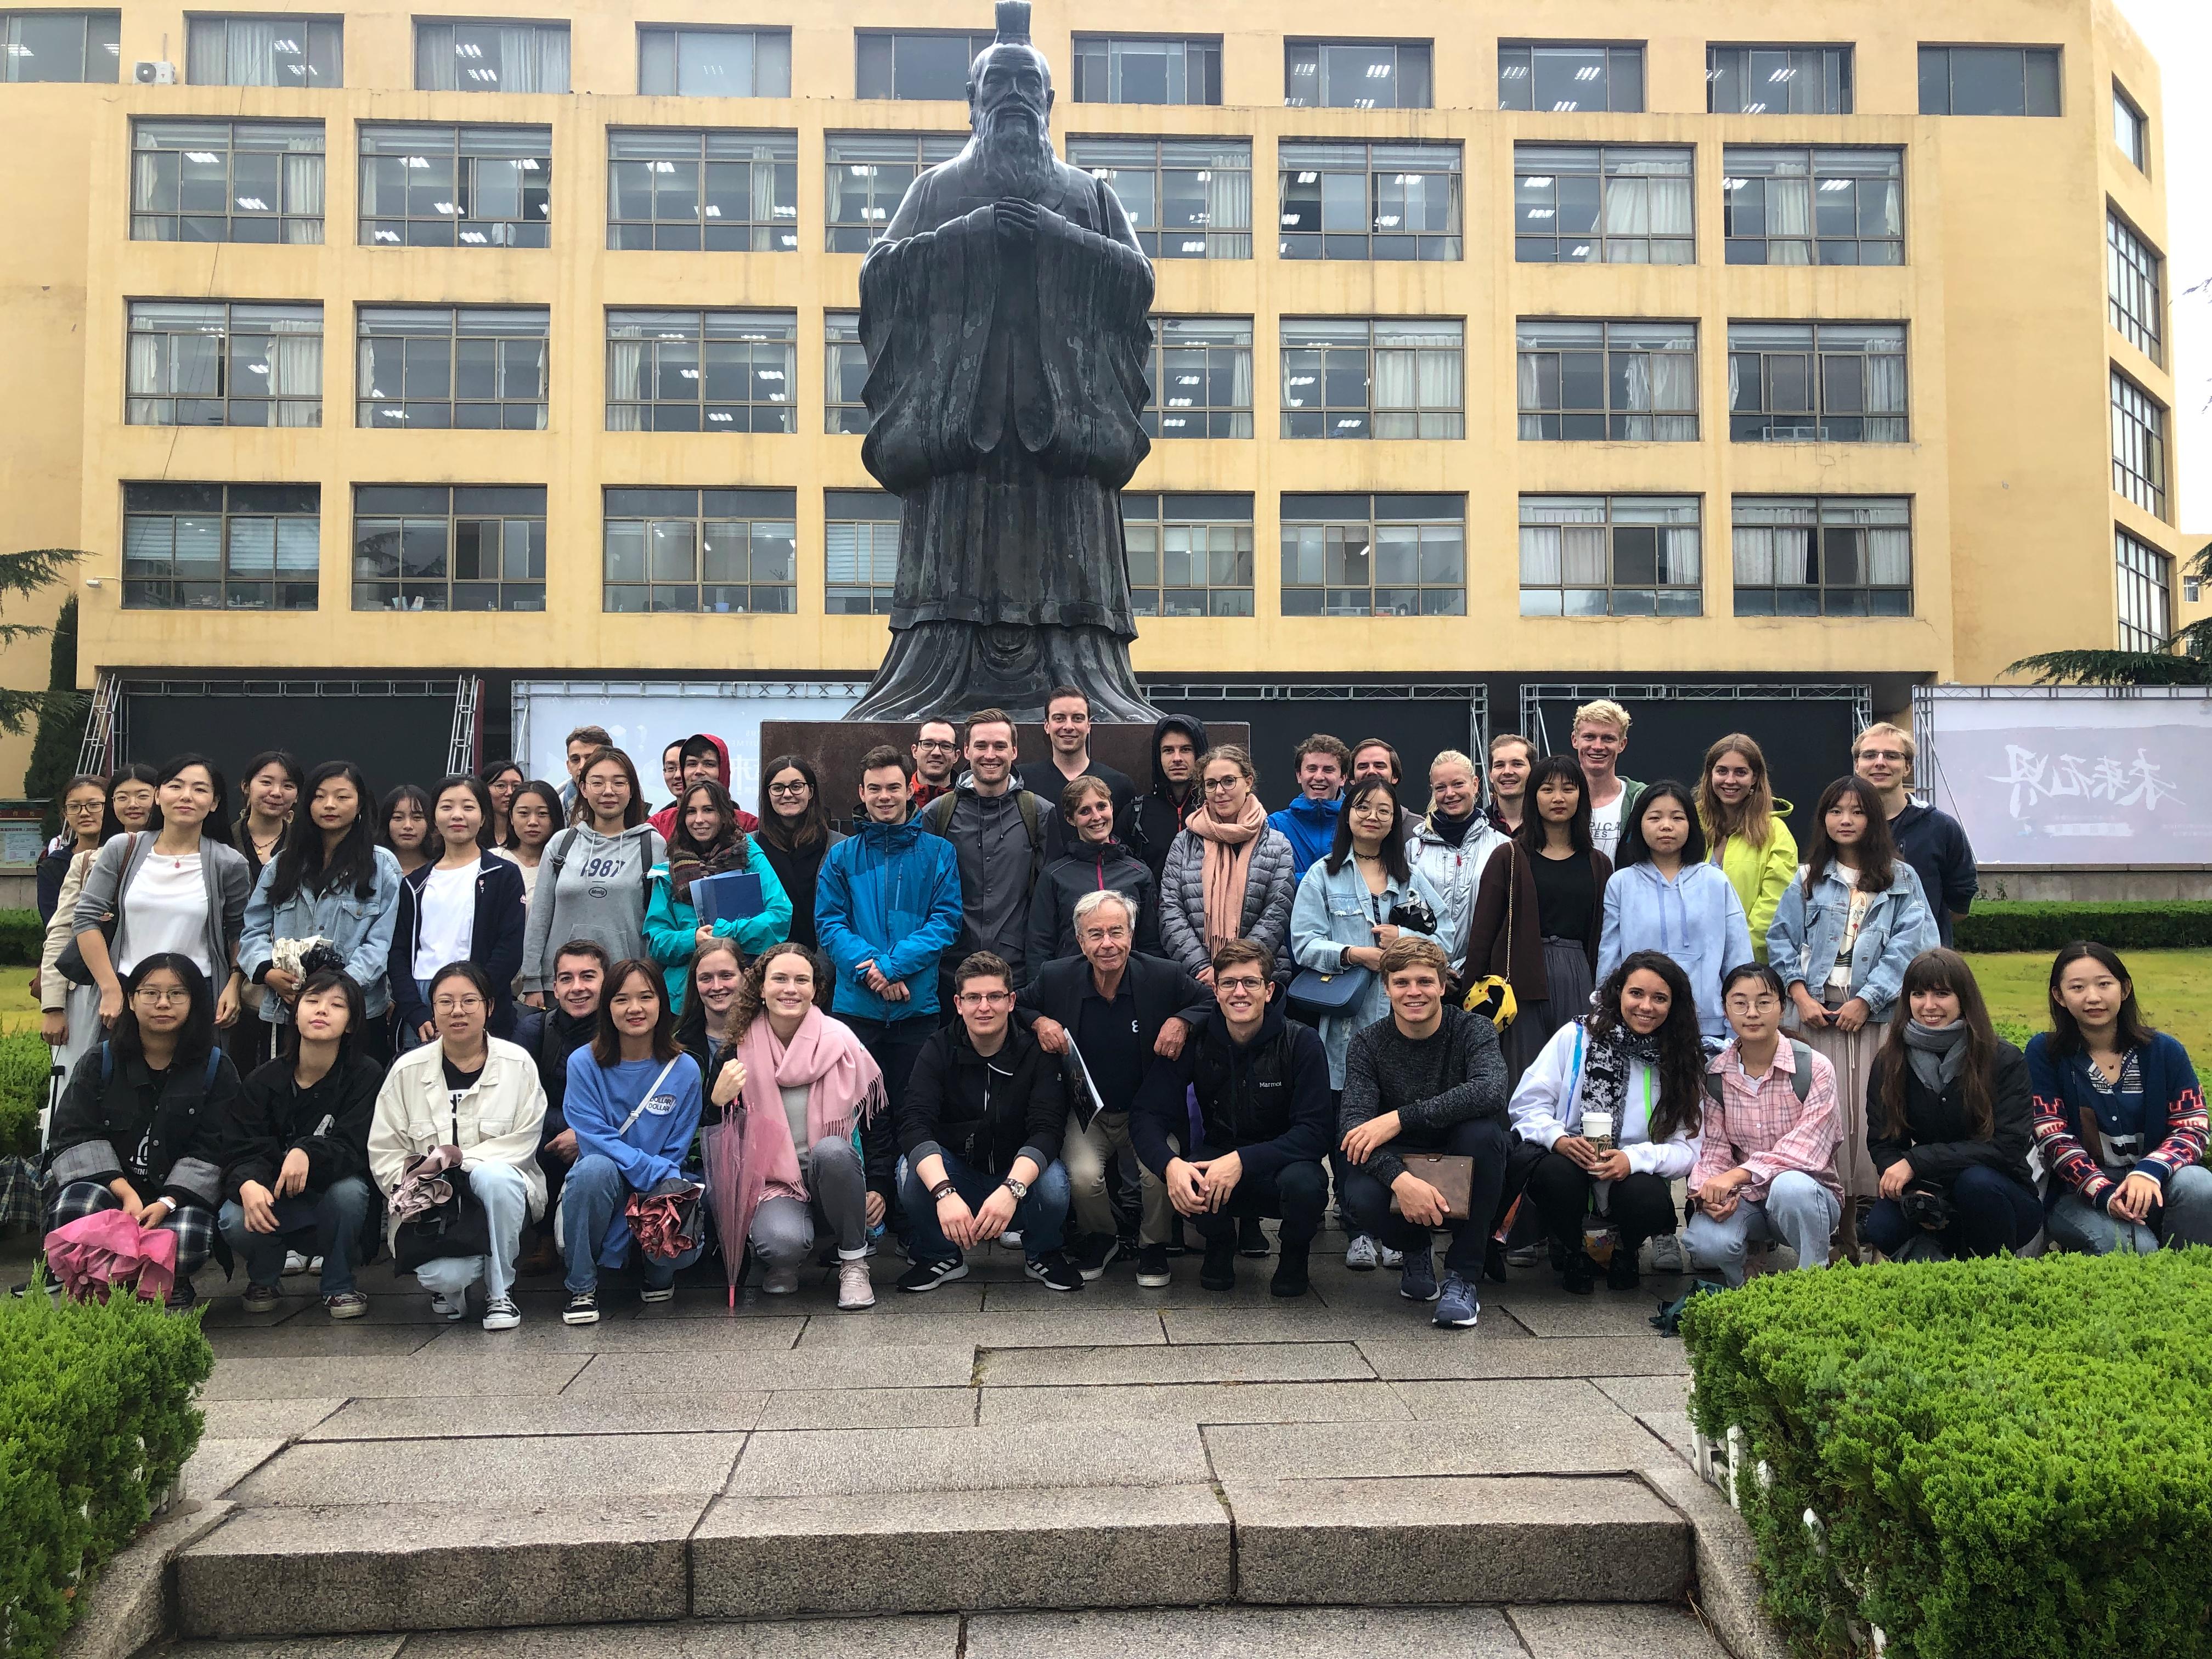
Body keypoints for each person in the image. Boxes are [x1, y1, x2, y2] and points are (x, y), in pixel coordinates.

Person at [1765, 774, 1938, 1258]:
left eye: (1857, 811)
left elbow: (1912, 946)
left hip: (1877, 1016)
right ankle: (1838, 1231)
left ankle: (1877, 1227)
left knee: (1875, 1117)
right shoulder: (1807, 878)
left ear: (1873, 819)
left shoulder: (1902, 879)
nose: (1846, 820)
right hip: (1815, 1015)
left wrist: (1868, 999)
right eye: (1836, 811)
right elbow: (1781, 940)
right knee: (1823, 1116)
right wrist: (1799, 995)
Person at [1291, 776, 1448, 1272]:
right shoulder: (1323, 875)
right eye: (1363, 807)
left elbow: (1445, 938)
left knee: (1397, 1120)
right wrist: (1355, 954)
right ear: (1348, 815)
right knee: (1349, 1121)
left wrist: (1405, 940)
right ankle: (1358, 1225)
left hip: (1405, 1022)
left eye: (1384, 810)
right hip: (1346, 1025)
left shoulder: (1411, 877)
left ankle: (1398, 1225)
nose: (1373, 817)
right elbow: (1303, 943)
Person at [1020, 888, 1210, 1277]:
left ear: (1131, 935)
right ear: (1080, 941)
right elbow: (1016, 1004)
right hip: (1088, 1113)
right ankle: (1102, 1237)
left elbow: (1210, 1001)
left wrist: (1183, 1020)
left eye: (1116, 932)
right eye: (1096, 934)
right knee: (1084, 1176)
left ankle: (1153, 1244)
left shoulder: (1164, 975)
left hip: (1147, 1112)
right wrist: (1040, 1021)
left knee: (1160, 1173)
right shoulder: (1056, 977)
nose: (1107, 944)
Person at [1130, 937, 1332, 1295]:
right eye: (1229, 983)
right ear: (1216, 991)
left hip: (1283, 1163)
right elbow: (1146, 1113)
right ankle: (1220, 1242)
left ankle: (1294, 1253)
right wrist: (1170, 1166)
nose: (1240, 993)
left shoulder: (1301, 1042)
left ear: (1269, 991)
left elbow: (1316, 1132)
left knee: (1308, 1185)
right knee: (1190, 1176)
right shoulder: (1197, 1041)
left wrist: (1242, 1160)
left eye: (1251, 982)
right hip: (1218, 1156)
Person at [42, 955, 241, 1308]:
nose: (163, 1003)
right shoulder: (100, 1061)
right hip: (111, 1186)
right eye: (150, 993)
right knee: (75, 1205)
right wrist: (125, 1193)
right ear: (131, 1000)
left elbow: (216, 1146)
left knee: (188, 1236)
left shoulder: (216, 1068)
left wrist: (166, 1202)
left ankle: (170, 1284)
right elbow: (75, 1132)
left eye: (177, 993)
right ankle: (97, 1283)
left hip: (177, 1196)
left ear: (194, 1002)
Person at [703, 942, 893, 1309]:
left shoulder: (843, 1042)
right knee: (781, 1243)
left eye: (801, 980)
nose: (790, 989)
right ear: (761, 988)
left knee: (833, 1151)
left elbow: (876, 1122)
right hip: (774, 1184)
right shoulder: (736, 1049)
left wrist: (880, 1186)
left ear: (814, 989)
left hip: (834, 1177)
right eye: (780, 979)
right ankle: (782, 1262)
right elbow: (714, 1134)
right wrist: (716, 1101)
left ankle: (854, 1262)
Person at [1338, 936, 1511, 1327]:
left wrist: (1400, 1117)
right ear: (1387, 988)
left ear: (1443, 985)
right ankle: (1414, 1249)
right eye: (1401, 983)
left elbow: (1490, 1090)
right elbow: (1352, 1126)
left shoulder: (1473, 1029)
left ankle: (1463, 1275)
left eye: (1425, 981)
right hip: (1400, 1157)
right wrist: (1401, 1181)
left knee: (1485, 1135)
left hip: (1460, 1150)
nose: (1413, 992)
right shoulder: (1368, 1043)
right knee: (1359, 1194)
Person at [1508, 951, 1705, 1294]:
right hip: (1573, 1160)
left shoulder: (1682, 1057)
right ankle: (1571, 1249)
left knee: (1648, 1198)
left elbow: (1687, 1148)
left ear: (1674, 1005)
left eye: (1660, 998)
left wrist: (1634, 1159)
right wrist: (1558, 1139)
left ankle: (1627, 1251)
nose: (1646, 1007)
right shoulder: (1577, 1036)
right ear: (1618, 992)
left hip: (1634, 1174)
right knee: (1554, 1175)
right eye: (1636, 994)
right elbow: (1527, 1104)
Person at [368, 960, 548, 1329]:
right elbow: (385, 1150)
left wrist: (456, 1161)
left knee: (494, 1177)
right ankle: (455, 1284)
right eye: (445, 1002)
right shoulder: (406, 1071)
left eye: (469, 1001)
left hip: (501, 1195)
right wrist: (419, 1187)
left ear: (489, 1007)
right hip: (433, 1204)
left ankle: (500, 1291)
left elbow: (524, 1141)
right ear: (433, 1009)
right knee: (444, 1276)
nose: (457, 1011)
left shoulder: (517, 1065)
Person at [896, 951, 1079, 1292]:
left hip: (1019, 1177)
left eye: (995, 996)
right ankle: (940, 1255)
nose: (984, 1007)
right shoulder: (938, 1048)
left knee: (1054, 1183)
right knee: (909, 1170)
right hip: (959, 1175)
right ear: (958, 1004)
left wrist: (1011, 1189)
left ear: (1011, 1001)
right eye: (973, 998)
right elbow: (914, 1123)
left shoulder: (1036, 1053)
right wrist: (944, 1192)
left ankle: (1043, 1252)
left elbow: (1047, 1131)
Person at [814, 744, 963, 1134]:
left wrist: (891, 966)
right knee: (859, 1119)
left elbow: (946, 922)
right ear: (861, 793)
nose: (885, 797)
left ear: (909, 790)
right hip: (855, 1011)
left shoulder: (939, 853)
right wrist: (875, 971)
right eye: (875, 788)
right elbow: (829, 924)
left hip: (916, 1010)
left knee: (915, 1113)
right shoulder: (840, 857)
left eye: (894, 787)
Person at [218, 968, 384, 1317]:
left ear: (351, 1023)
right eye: (313, 1000)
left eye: (337, 1005)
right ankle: (264, 1278)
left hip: (328, 1199)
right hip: (275, 1196)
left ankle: (339, 1284)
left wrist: (307, 1151)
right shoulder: (263, 1080)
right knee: (233, 1215)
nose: (322, 1010)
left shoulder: (366, 1076)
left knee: (351, 1193)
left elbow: (357, 1148)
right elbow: (240, 1147)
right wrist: (248, 1182)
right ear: (295, 1014)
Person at [2029, 941, 2212, 1254]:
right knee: (2139, 1251)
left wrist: (2150, 1171)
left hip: (2155, 1181)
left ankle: (2189, 1272)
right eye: (2077, 987)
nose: (2093, 997)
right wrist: (2102, 1192)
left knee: (2199, 1184)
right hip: (2080, 1194)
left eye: (2104, 984)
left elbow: (2192, 1127)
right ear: (2059, 996)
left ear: (2125, 989)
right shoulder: (2046, 1053)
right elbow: (2051, 1134)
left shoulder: (2164, 1051)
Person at [1861, 949, 2037, 1262]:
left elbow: (2008, 1147)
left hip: (2000, 1190)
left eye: (1942, 994)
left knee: (1976, 1184)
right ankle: (1939, 1272)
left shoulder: (2003, 1059)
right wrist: (1912, 1191)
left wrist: (1917, 1161)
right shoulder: (1891, 1060)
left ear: (1964, 998)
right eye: (1919, 994)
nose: (1929, 1006)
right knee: (1882, 1226)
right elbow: (1883, 1141)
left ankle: (1991, 1273)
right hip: (1930, 1187)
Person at [557, 958, 707, 1322]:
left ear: (662, 1003)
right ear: (607, 1007)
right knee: (593, 1169)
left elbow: (676, 1149)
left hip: (657, 1186)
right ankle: (582, 1287)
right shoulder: (583, 1063)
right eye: (622, 999)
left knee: (673, 1201)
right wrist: (647, 1170)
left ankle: (656, 1272)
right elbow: (595, 1140)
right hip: (606, 1183)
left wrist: (654, 1183)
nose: (635, 1008)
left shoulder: (686, 1069)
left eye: (646, 997)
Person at [1683, 963, 1842, 1286]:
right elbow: (1713, 1148)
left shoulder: (1814, 1068)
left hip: (1809, 1197)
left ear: (1782, 1008)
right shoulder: (1715, 1075)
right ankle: (1745, 1287)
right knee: (1706, 1242)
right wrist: (1709, 1193)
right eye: (1740, 1003)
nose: (1752, 1013)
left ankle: (1815, 1281)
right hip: (1747, 1199)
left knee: (1790, 1187)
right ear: (1725, 1010)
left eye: (1764, 1002)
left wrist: (1737, 1175)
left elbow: (1805, 1151)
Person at [75, 754, 253, 1034]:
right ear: (158, 795)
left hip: (198, 994)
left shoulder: (229, 863)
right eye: (176, 786)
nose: (186, 796)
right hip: (128, 992)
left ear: (214, 802)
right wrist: (110, 988)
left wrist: (234, 983)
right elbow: (86, 919)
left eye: (200, 789)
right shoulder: (122, 849)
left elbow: (239, 931)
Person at [240, 760, 402, 1064]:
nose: (330, 805)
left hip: (358, 1010)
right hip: (287, 1007)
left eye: (342, 797)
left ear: (360, 805)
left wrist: (339, 989)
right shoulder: (283, 864)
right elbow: (253, 929)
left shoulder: (382, 866)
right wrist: (267, 971)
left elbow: (382, 941)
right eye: (319, 796)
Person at [1464, 755, 1613, 1081]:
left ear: (1581, 796)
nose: (1558, 798)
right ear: (1533, 796)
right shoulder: (1508, 856)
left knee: (1575, 1072)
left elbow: (1603, 935)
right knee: (1522, 1075)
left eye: (1568, 789)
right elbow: (1483, 931)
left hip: (1578, 975)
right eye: (1547, 789)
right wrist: (1470, 990)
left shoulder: (1599, 863)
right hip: (1519, 978)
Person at [1598, 781, 1752, 1045]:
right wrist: (1606, 1016)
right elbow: (1610, 959)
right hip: (1640, 1021)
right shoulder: (1622, 883)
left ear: (1692, 825)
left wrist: (1737, 1024)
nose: (1666, 826)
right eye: (1655, 818)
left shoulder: (1715, 882)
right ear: (1639, 824)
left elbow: (1738, 958)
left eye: (1677, 818)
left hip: (1707, 1025)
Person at [919, 710, 1056, 993]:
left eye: (1000, 746)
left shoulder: (1039, 813)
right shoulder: (936, 814)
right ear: (967, 750)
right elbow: (921, 895)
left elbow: (1049, 901)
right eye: (981, 746)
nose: (990, 755)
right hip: (949, 971)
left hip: (1017, 972)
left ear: (1014, 751)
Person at [388, 775, 528, 1049]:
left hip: (480, 995)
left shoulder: (503, 874)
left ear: (483, 817)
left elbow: (510, 948)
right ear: (434, 817)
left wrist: (475, 997)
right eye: (447, 807)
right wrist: (415, 1010)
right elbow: (398, 953)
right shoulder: (414, 884)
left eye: (468, 807)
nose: (457, 815)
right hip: (423, 997)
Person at [521, 747, 667, 1002]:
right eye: (597, 783)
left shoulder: (652, 845)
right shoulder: (561, 844)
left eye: (619, 783)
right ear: (584, 789)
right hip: (564, 985)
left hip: (626, 986)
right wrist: (532, 980)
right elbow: (540, 918)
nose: (608, 791)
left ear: (632, 790)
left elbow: (659, 921)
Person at [644, 778, 792, 1012]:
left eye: (708, 810)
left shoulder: (750, 859)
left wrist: (723, 934)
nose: (699, 820)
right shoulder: (668, 871)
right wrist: (693, 939)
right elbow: (656, 941)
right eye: (691, 812)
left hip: (744, 993)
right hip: (683, 1000)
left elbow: (779, 917)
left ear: (724, 814)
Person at [1159, 745, 1296, 988]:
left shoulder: (1277, 845)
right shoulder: (1184, 843)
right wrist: (1203, 968)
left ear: (1248, 782)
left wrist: (1231, 970)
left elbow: (1276, 915)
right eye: (1211, 784)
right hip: (1198, 980)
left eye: (1229, 781)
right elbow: (1170, 910)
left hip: (1259, 980)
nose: (1220, 791)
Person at [514, 938, 606, 1276]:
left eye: (588, 976)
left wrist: (586, 1136)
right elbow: (520, 1102)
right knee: (537, 1139)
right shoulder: (534, 1030)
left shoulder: (623, 1030)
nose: (577, 987)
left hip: (609, 1135)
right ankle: (543, 1236)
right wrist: (569, 1129)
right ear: (554, 987)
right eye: (567, 978)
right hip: (549, 1133)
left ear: (606, 982)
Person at [1852, 722, 1977, 949]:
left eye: (1891, 756)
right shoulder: (1840, 827)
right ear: (1857, 765)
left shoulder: (1941, 828)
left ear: (1907, 767)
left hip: (1922, 963)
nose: (1880, 762)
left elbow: (1960, 905)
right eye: (1870, 755)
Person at [1029, 775, 1160, 964]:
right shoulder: (1054, 876)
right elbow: (1040, 946)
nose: (1097, 817)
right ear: (1070, 819)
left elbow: (1151, 945)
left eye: (1101, 806)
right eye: (1085, 811)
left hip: (1128, 979)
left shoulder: (1139, 873)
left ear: (1112, 808)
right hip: (1071, 979)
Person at [37, 773, 121, 1069]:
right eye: (75, 806)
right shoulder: (59, 865)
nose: (85, 813)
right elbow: (59, 933)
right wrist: (53, 1005)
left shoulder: (134, 854)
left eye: (94, 805)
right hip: (82, 979)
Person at [1405, 749, 1510, 981]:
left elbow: (1507, 922)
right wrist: (1435, 964)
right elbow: (1406, 914)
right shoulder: (1413, 849)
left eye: (1458, 784)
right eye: (1441, 788)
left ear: (1475, 785)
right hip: (1424, 974)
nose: (1450, 794)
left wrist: (1473, 968)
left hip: (1483, 978)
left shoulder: (1503, 848)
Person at [1698, 735, 1796, 963]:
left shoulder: (1776, 833)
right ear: (1710, 774)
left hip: (1749, 962)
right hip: (1693, 958)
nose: (1730, 780)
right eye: (1722, 771)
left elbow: (1774, 906)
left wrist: (1738, 954)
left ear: (1755, 778)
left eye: (1741, 772)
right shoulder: (1690, 823)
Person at [753, 754, 844, 953]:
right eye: (778, 788)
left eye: (796, 786)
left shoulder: (839, 847)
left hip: (824, 962)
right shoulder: (750, 847)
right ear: (768, 794)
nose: (787, 794)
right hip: (764, 964)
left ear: (810, 791)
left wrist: (821, 967)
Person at [1120, 714, 1207, 883]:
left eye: (1186, 749)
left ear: (1199, 754)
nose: (1177, 759)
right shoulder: (1136, 814)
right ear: (1158, 756)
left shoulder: (1216, 808)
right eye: (1168, 750)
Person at [1041, 686, 1136, 818]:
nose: (1069, 726)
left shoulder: (1120, 785)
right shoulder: (1024, 782)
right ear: (1047, 726)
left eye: (1078, 718)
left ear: (1088, 726)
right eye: (1059, 718)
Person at [1570, 700, 1644, 866]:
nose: (1598, 746)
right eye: (1589, 737)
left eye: (1608, 739)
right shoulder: (1556, 799)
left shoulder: (1641, 799)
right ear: (1575, 740)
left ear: (1622, 744)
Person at [1268, 733, 1351, 882]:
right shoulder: (1275, 825)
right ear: (1299, 776)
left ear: (1343, 778)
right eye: (1312, 769)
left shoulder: (1358, 822)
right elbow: (1272, 881)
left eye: (1328, 770)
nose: (1319, 777)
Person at [647, 732, 757, 840]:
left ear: (723, 770)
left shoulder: (750, 826)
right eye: (692, 764)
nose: (699, 771)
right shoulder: (659, 825)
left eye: (709, 764)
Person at [233, 749, 302, 888]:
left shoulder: (304, 845)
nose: (276, 792)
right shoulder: (223, 840)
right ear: (246, 787)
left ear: (297, 796)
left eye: (288, 786)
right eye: (266, 782)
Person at [499, 779, 562, 907]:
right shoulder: (494, 860)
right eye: (524, 813)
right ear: (511, 817)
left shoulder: (567, 865)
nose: (533, 822)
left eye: (542, 814)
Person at [379, 784, 437, 878]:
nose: (408, 826)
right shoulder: (373, 871)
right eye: (398, 818)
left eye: (417, 818)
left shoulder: (440, 871)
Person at [558, 723, 613, 814]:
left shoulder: (634, 806)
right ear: (568, 766)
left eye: (591, 758)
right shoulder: (551, 809)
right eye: (576, 760)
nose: (582, 766)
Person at [908, 719, 961, 812]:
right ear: (915, 751)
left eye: (946, 746)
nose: (936, 753)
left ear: (956, 756)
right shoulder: (897, 797)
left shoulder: (969, 801)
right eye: (928, 744)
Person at [1486, 734, 1534, 835]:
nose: (1507, 772)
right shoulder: (1476, 825)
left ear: (1533, 771)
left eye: (1517, 764)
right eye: (1500, 765)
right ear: (1490, 774)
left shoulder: (1549, 825)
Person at [478, 760, 525, 850]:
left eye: (516, 786)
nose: (510, 792)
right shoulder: (475, 834)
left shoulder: (528, 833)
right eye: (501, 786)